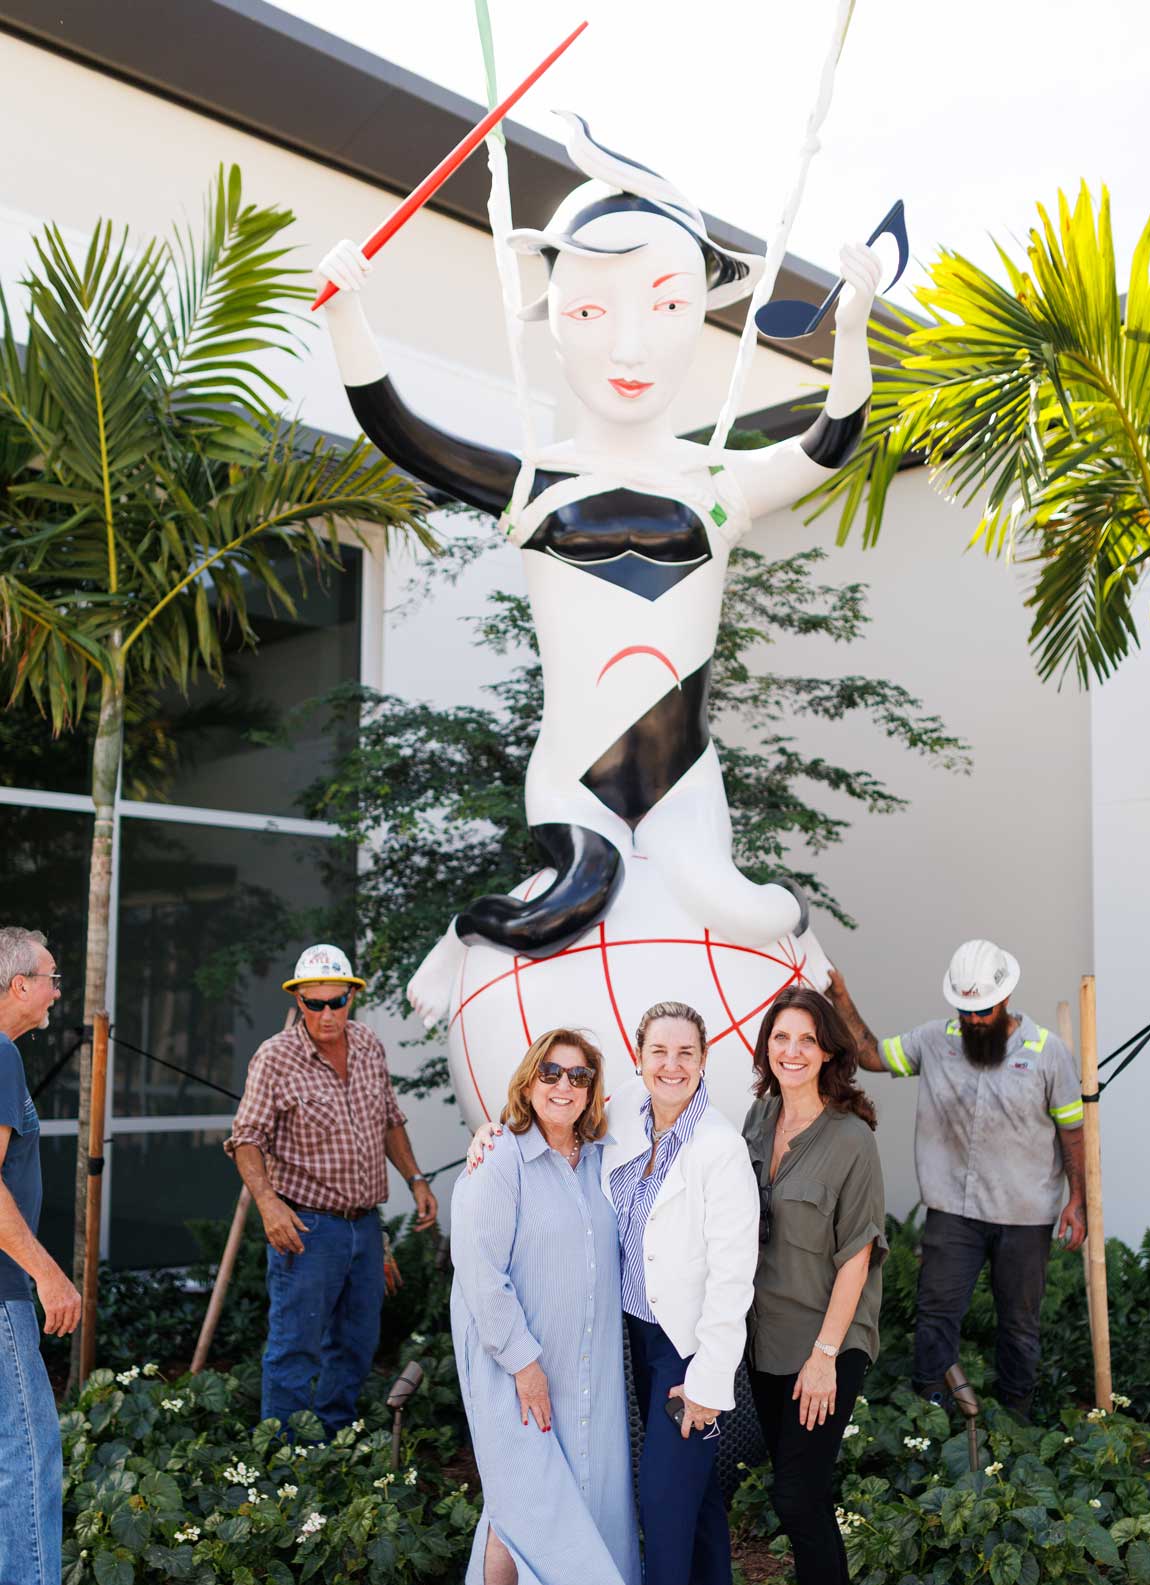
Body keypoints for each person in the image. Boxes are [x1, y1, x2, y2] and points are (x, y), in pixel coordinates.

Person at [316, 112, 884, 1026]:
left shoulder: (719, 480)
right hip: (571, 772)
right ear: (553, 321)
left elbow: (831, 440)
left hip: (684, 771)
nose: (627, 347)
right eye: (590, 310)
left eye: (663, 307)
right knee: (572, 896)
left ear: (701, 312)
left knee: (734, 899)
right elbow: (406, 434)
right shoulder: (535, 481)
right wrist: (347, 314)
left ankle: (800, 949)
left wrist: (850, 331)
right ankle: (466, 935)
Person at [445, 1028, 643, 1585]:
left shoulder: (598, 1161)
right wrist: (523, 1364)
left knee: (576, 1492)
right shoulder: (500, 1159)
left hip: (582, 1365)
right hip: (514, 1361)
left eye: (579, 1076)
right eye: (551, 1073)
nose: (564, 1086)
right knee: (521, 1504)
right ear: (529, 1081)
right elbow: (478, 1270)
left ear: (594, 1090)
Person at [829, 939, 1087, 1416]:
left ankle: (1016, 1420)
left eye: (983, 1010)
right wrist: (840, 998)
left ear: (1005, 998)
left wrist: (1078, 1201)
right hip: (953, 1212)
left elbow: (1073, 1133)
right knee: (936, 1317)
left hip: (1025, 1215)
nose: (973, 1020)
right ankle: (930, 1413)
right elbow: (869, 1056)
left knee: (1018, 1324)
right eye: (965, 1010)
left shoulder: (1048, 1053)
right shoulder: (934, 1040)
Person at [605, 1001, 760, 1585]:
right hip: (635, 1338)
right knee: (692, 1497)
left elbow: (734, 1279)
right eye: (658, 1051)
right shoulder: (625, 1128)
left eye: (686, 1053)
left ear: (704, 1061)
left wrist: (706, 1383)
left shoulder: (719, 1149)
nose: (671, 1065)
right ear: (639, 1056)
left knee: (663, 1501)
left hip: (686, 1349)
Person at [741, 987, 887, 1585]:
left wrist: (827, 1354)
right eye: (780, 1037)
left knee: (798, 1498)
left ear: (829, 1050)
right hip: (766, 1341)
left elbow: (858, 1254)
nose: (791, 1050)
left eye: (806, 1039)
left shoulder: (851, 1139)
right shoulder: (760, 1118)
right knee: (803, 1494)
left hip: (825, 1345)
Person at [226, 943, 436, 1434]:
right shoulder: (275, 1057)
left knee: (357, 1342)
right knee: (295, 1345)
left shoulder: (368, 1045)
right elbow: (245, 1140)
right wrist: (268, 1204)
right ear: (299, 1002)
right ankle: (282, 1460)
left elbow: (389, 1120)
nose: (326, 1013)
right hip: (306, 1227)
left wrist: (416, 1179)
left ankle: (334, 1442)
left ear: (351, 998)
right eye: (314, 1003)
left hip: (364, 1228)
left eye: (335, 1002)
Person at [0, 925, 117, 1585]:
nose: (56, 989)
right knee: (28, 1455)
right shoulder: (1, 1054)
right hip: (5, 1292)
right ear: (14, 986)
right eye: (48, 977)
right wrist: (47, 1273)